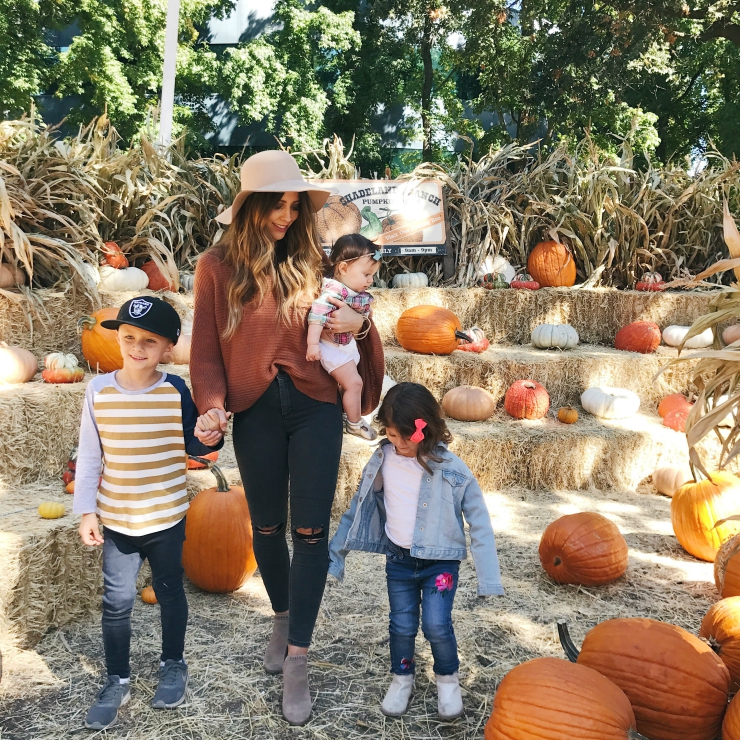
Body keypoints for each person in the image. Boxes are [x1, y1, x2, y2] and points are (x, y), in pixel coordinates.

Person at [190, 149, 384, 726]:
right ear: (249, 207)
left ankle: (298, 656)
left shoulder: (312, 263)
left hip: (315, 405)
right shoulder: (216, 267)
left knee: (310, 529)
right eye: (277, 204)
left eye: (294, 205)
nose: (286, 214)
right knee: (268, 527)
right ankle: (282, 614)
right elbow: (204, 351)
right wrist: (213, 407)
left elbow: (355, 315)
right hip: (254, 411)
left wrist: (363, 323)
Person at [73, 296, 223, 731]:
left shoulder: (174, 390)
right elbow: (90, 457)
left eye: (149, 341)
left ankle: (173, 663)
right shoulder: (98, 390)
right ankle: (117, 678)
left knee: (171, 592)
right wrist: (86, 511)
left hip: (167, 518)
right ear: (118, 338)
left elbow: (198, 447)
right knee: (117, 603)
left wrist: (211, 431)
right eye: (129, 337)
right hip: (117, 521)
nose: (136, 347)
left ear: (167, 349)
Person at [328, 382, 504, 720]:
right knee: (402, 625)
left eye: (403, 437)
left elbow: (479, 522)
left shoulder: (453, 469)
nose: (397, 443)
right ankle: (402, 678)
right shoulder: (383, 459)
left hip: (440, 562)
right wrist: (336, 556)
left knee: (437, 625)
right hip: (398, 559)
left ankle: (447, 680)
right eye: (391, 435)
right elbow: (357, 508)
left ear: (425, 428)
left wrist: (488, 578)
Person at [307, 233, 381, 441]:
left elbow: (364, 317)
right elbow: (316, 316)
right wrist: (312, 344)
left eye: (372, 274)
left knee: (346, 385)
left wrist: (364, 317)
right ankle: (354, 423)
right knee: (355, 384)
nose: (370, 280)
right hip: (332, 350)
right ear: (343, 268)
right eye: (366, 274)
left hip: (346, 347)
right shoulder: (333, 293)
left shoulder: (354, 293)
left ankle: (342, 413)